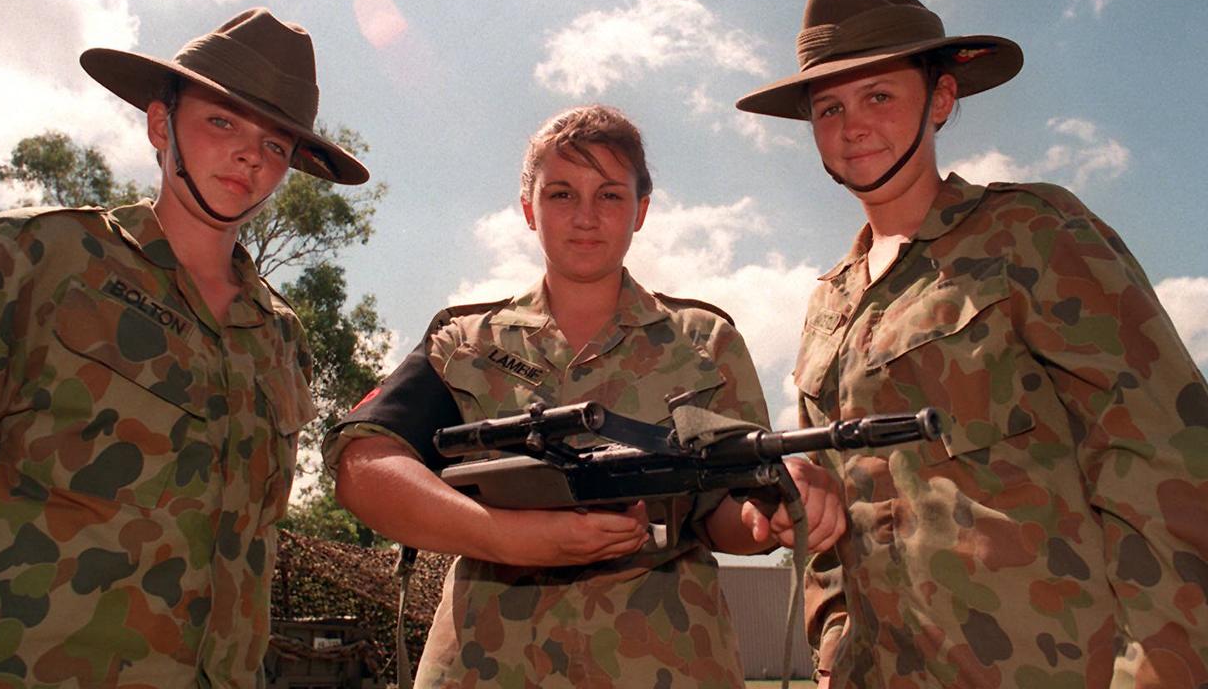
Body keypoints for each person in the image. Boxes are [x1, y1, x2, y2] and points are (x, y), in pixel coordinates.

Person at [735, 0, 1208, 688]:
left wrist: (1168, 672)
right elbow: (830, 520)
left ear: (941, 100)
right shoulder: (829, 304)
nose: (852, 126)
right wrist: (832, 647)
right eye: (829, 108)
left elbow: (1165, 460)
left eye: (879, 95)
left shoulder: (1033, 232)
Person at [325, 104, 844, 687]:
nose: (586, 217)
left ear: (641, 211)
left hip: (665, 664)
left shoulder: (704, 344)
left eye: (610, 196)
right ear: (529, 209)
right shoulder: (464, 343)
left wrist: (767, 516)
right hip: (487, 667)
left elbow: (724, 512)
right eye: (562, 195)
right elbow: (363, 465)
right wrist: (513, 538)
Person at [0, 9, 369, 686]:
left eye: (275, 145)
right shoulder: (36, 260)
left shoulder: (279, 335)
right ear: (160, 125)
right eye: (222, 122)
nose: (249, 155)